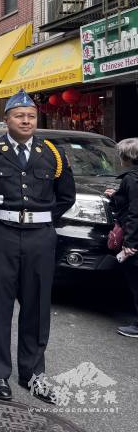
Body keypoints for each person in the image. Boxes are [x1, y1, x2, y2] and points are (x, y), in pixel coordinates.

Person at [0, 89, 75, 404]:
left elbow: (67, 196)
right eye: (19, 115)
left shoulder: (52, 153)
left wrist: (41, 218)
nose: (26, 120)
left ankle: (32, 374)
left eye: (31, 116)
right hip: (1, 234)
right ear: (6, 119)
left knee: (37, 306)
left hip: (40, 236)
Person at [105, 138, 138, 338]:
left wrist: (130, 244)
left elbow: (135, 212)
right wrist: (117, 196)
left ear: (126, 157)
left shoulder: (131, 179)